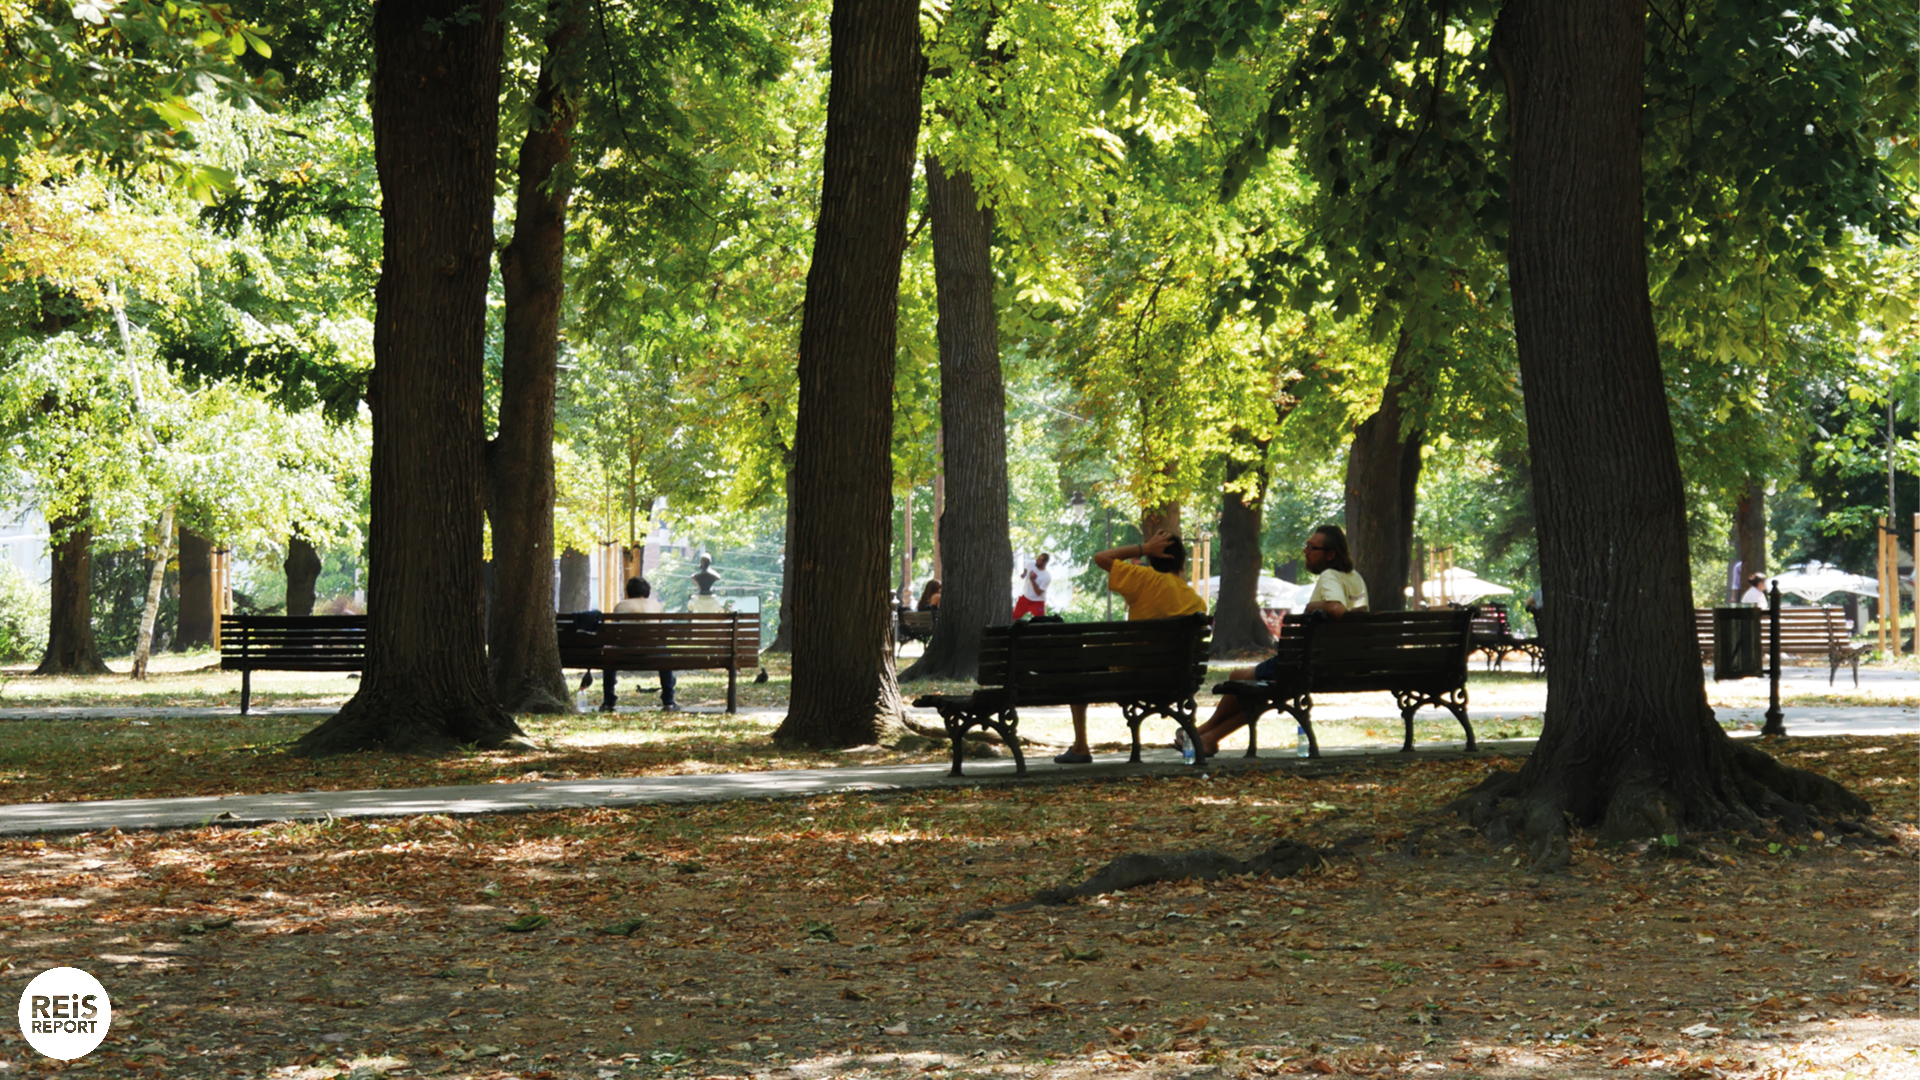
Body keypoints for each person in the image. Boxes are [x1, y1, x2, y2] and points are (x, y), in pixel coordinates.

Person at [1183, 524, 1367, 756]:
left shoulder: (1330, 576)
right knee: (1264, 692)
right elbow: (1358, 614)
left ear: (1331, 554)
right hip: (1342, 664)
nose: (1305, 551)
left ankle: (1203, 732)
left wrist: (1312, 606)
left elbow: (1337, 609)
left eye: (1312, 547)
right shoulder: (1355, 578)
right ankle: (1206, 736)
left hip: (1307, 665)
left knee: (1237, 678)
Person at [1055, 530, 1207, 764]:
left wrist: (1144, 548)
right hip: (1175, 680)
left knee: (1081, 665)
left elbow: (1101, 558)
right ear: (1182, 560)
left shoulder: (1144, 579)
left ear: (1153, 559)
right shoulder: (1196, 603)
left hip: (1130, 677)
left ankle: (1081, 746)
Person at [603, 576, 676, 712]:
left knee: (609, 655)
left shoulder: (620, 606)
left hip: (626, 653)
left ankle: (609, 701)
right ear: (647, 591)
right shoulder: (657, 606)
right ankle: (668, 702)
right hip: (653, 653)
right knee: (665, 653)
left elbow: (612, 634)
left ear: (629, 591)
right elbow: (662, 634)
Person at [1014, 553, 1051, 619]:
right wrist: (1024, 574)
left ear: (1044, 562)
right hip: (1025, 597)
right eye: (1037, 559)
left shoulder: (1046, 576)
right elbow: (1026, 568)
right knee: (1015, 617)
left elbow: (1038, 593)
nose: (1037, 561)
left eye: (1039, 560)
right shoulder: (1031, 564)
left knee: (1040, 621)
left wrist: (1032, 580)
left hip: (1037, 601)